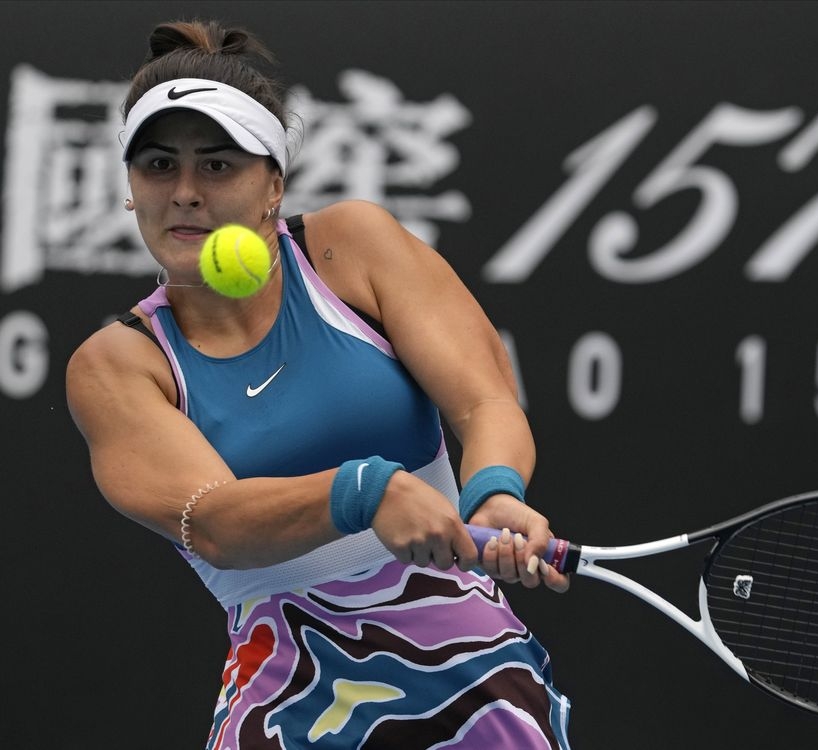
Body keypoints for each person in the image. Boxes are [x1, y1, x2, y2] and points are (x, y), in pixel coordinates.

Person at [65, 19, 572, 750]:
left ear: (273, 184)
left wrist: (495, 490)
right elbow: (213, 523)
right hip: (292, 700)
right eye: (156, 166)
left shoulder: (352, 248)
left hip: (477, 680)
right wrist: (367, 491)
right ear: (129, 190)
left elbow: (484, 399)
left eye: (216, 166)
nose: (183, 193)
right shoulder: (118, 364)